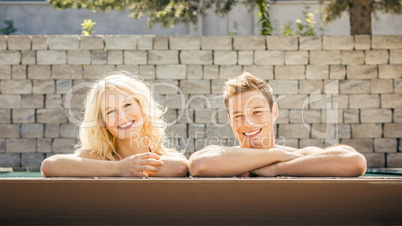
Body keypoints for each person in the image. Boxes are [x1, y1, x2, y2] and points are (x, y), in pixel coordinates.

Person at [188, 72, 367, 177]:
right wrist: (277, 155)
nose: (248, 122)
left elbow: (355, 161)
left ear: (274, 112)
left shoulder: (295, 156)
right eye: (238, 116)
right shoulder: (223, 156)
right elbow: (198, 165)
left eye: (257, 112)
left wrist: (276, 167)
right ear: (229, 120)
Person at [41, 71, 188, 177]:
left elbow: (179, 167)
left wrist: (130, 167)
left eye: (127, 105)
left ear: (142, 108)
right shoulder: (96, 158)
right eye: (110, 112)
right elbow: (50, 165)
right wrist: (118, 168)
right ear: (103, 122)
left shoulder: (165, 156)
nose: (122, 117)